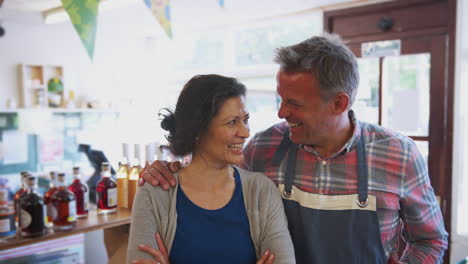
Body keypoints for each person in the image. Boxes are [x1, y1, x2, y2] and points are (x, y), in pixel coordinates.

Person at [140, 33, 448, 263]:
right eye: (280, 99)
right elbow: (210, 173)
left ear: (339, 103)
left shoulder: (398, 154)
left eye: (294, 103)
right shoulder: (263, 147)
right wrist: (165, 169)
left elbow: (431, 239)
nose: (281, 112)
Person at [127, 74, 295, 264]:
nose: (246, 132)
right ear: (198, 130)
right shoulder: (154, 192)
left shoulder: (262, 191)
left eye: (245, 120)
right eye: (232, 122)